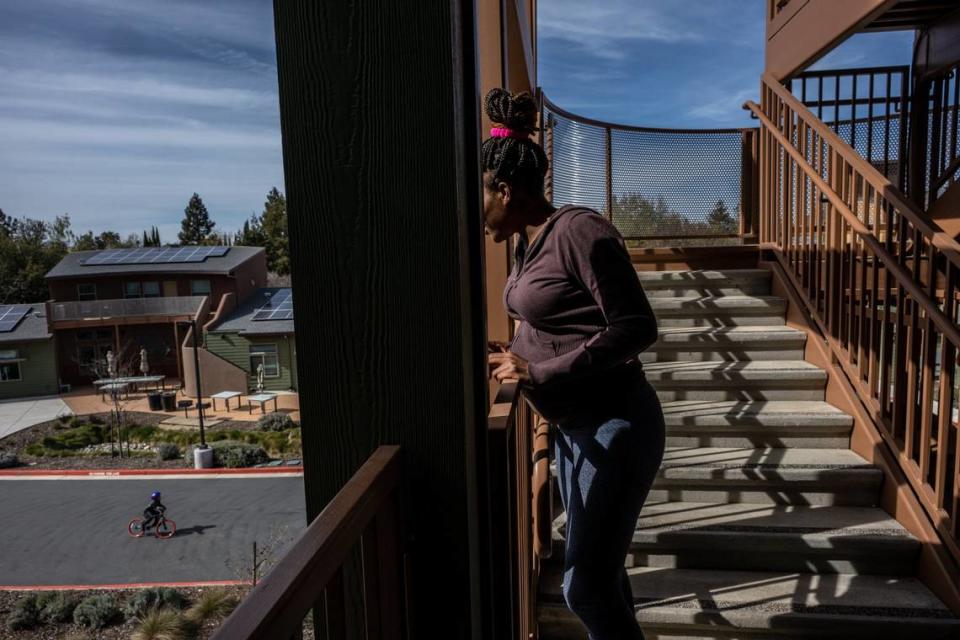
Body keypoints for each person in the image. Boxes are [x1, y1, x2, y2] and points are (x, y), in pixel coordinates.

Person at [484, 88, 665, 640]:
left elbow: (637, 327)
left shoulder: (581, 232)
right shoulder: (527, 243)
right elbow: (550, 318)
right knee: (603, 577)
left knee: (582, 586)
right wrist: (511, 353)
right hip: (573, 428)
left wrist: (538, 373)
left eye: (479, 197)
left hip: (615, 425)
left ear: (504, 190)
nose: (476, 210)